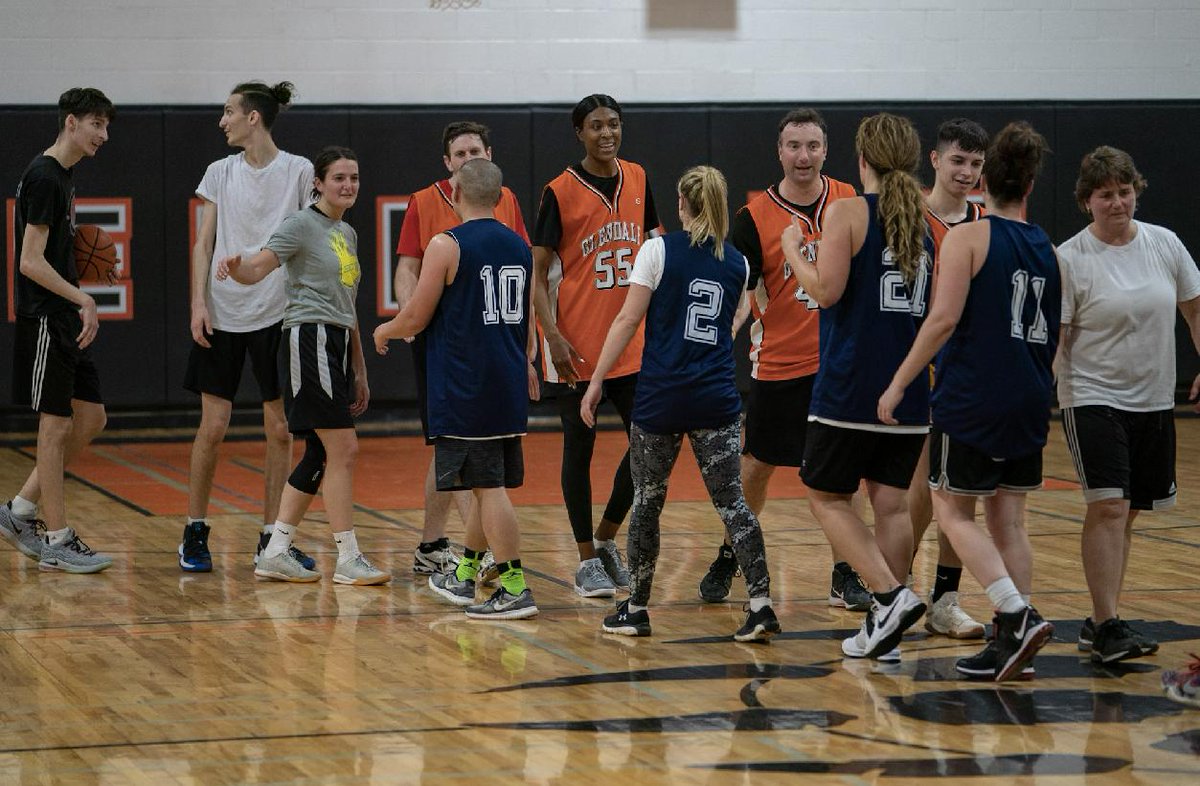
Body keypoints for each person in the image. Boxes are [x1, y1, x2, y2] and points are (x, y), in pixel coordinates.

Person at [879, 121, 1058, 681]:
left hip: (973, 392)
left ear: (986, 178)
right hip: (1031, 394)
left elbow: (942, 320)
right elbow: (1060, 332)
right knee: (1010, 522)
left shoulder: (968, 238)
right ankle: (1012, 645)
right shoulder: (1049, 248)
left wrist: (899, 382)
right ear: (1030, 184)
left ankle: (1014, 613)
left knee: (951, 510)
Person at [583, 165, 779, 641]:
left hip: (662, 399)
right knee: (733, 504)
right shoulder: (738, 263)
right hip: (717, 399)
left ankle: (637, 609)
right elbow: (738, 316)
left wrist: (596, 380)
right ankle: (760, 605)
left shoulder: (657, 250)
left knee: (647, 505)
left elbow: (627, 320)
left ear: (683, 204)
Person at [695, 108, 871, 613]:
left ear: (826, 151)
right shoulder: (754, 217)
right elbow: (741, 291)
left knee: (845, 472)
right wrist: (721, 335)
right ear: (779, 152)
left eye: (812, 146)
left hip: (839, 363)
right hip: (779, 362)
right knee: (756, 466)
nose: (803, 156)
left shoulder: (850, 201)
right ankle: (731, 551)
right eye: (794, 146)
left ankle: (846, 572)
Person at [790, 112, 931, 661]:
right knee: (891, 507)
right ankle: (885, 627)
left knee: (825, 497)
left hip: (852, 387)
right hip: (910, 389)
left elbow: (826, 292)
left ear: (862, 159)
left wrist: (792, 251)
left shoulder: (848, 210)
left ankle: (891, 597)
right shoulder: (920, 221)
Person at [216, 146, 389, 586]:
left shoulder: (345, 232)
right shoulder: (300, 225)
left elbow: (347, 306)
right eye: (339, 178)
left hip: (336, 342)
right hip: (308, 338)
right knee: (343, 450)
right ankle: (348, 557)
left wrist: (359, 368)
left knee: (319, 452)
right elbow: (259, 267)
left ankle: (275, 551)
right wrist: (237, 269)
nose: (348, 185)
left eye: (353, 177)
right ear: (318, 183)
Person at [375, 158, 538, 619]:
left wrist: (384, 332)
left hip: (467, 385)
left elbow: (416, 316)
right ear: (500, 197)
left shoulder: (446, 244)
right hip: (507, 380)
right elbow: (527, 320)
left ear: (455, 194)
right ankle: (464, 575)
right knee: (486, 484)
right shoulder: (519, 246)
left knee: (490, 489)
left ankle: (515, 588)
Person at [1057, 146, 1200, 663]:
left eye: (1124, 192)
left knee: (1129, 510)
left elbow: (1194, 310)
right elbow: (1057, 338)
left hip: (1154, 398)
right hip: (1092, 395)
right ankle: (1106, 623)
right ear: (1086, 201)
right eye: (1105, 195)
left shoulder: (1165, 243)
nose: (1117, 203)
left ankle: (1103, 619)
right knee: (1109, 506)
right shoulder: (1070, 258)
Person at [182, 81, 315, 574]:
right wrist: (198, 301)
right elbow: (203, 243)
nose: (223, 121)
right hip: (223, 312)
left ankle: (271, 540)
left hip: (277, 313)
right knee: (212, 427)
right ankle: (194, 529)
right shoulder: (220, 172)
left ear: (252, 117)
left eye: (229, 112)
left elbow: (307, 237)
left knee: (279, 430)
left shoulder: (299, 170)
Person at [532, 94, 662, 598]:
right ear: (579, 133)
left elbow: (657, 248)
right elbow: (537, 274)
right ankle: (586, 558)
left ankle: (607, 538)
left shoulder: (639, 177)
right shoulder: (558, 191)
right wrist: (552, 336)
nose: (607, 133)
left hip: (632, 344)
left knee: (648, 447)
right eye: (596, 126)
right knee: (579, 450)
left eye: (613, 124)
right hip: (577, 346)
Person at [0, 87, 116, 573]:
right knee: (55, 426)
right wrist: (82, 297)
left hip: (63, 315)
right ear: (71, 122)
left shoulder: (62, 175)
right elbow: (29, 261)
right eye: (96, 124)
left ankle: (19, 510)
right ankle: (58, 540)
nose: (103, 135)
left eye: (106, 127)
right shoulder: (46, 176)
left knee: (92, 418)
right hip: (47, 316)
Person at [912, 118, 990, 640]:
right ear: (936, 160)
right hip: (914, 370)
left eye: (976, 164)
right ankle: (892, 592)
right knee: (914, 494)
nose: (966, 172)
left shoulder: (986, 225)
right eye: (958, 160)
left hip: (965, 378)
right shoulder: (908, 219)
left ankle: (944, 599)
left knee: (959, 496)